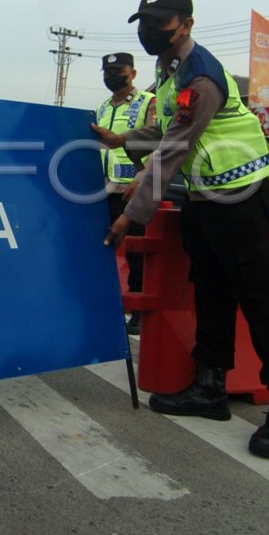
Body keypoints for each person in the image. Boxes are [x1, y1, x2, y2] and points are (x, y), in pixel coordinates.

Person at [95, 0, 269, 460]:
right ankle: (210, 387)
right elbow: (168, 126)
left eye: (160, 24)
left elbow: (175, 146)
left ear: (186, 25)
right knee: (211, 290)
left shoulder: (201, 76)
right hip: (204, 197)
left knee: (263, 298)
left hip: (241, 195)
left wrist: (132, 215)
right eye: (145, 24)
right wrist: (123, 140)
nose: (150, 32)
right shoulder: (170, 69)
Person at [94, 52, 156, 334]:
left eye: (118, 71)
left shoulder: (148, 102)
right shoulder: (102, 107)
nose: (112, 76)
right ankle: (105, 303)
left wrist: (145, 178)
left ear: (132, 73)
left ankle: (139, 311)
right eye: (107, 72)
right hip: (103, 189)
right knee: (102, 247)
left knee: (136, 252)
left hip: (134, 189)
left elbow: (158, 142)